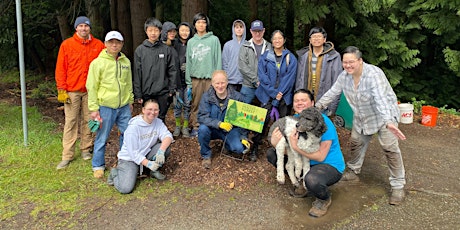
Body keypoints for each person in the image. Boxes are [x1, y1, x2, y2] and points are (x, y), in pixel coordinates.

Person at [316, 46, 407, 205]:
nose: (348, 65)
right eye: (345, 62)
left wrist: (389, 122)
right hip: (361, 116)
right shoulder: (344, 76)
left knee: (390, 149)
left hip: (384, 117)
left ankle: (398, 186)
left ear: (360, 61)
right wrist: (316, 108)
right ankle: (353, 170)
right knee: (356, 143)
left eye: (351, 62)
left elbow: (381, 99)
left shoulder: (373, 74)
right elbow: (332, 92)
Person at [267, 89, 345, 217]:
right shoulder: (294, 121)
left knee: (312, 179)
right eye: (296, 101)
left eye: (304, 100)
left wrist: (295, 147)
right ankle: (302, 182)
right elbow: (290, 151)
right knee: (272, 154)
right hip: (304, 161)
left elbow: (321, 156)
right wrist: (275, 143)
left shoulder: (323, 122)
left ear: (312, 103)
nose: (299, 103)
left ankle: (323, 199)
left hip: (327, 164)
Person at [55, 16, 105, 170]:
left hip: (90, 91)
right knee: (70, 121)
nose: (84, 29)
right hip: (72, 90)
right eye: (81, 26)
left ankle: (85, 149)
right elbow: (61, 67)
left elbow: (106, 65)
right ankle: (67, 155)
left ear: (90, 28)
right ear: (76, 28)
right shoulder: (67, 45)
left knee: (89, 120)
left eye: (86, 26)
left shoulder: (98, 45)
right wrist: (61, 88)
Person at [86, 31, 134, 178]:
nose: (114, 45)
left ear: (122, 44)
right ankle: (98, 165)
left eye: (118, 42)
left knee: (127, 135)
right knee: (102, 136)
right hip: (106, 106)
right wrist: (94, 109)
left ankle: (124, 161)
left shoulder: (125, 62)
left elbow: (128, 83)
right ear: (106, 44)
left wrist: (130, 100)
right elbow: (92, 86)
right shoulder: (98, 63)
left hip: (124, 106)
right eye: (111, 42)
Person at [107, 99, 173, 194]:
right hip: (130, 159)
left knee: (164, 147)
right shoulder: (133, 127)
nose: (153, 112)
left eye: (156, 110)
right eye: (149, 109)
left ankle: (152, 171)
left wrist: (161, 151)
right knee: (125, 188)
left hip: (145, 154)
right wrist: (149, 163)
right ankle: (115, 173)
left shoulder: (157, 122)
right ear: (143, 110)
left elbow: (168, 136)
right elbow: (133, 153)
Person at [251, 30, 297, 162]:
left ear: (284, 40)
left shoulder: (290, 58)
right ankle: (255, 148)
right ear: (271, 40)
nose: (277, 41)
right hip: (266, 95)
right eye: (275, 38)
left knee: (284, 125)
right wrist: (273, 93)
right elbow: (262, 76)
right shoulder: (265, 57)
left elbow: (290, 78)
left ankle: (282, 153)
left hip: (284, 97)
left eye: (280, 38)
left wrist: (280, 93)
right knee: (261, 123)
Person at [197, 70, 250, 169]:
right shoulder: (206, 97)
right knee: (202, 129)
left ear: (227, 82)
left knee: (239, 149)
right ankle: (206, 155)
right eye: (217, 83)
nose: (220, 86)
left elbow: (244, 120)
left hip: (230, 130)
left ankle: (227, 145)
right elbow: (202, 117)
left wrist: (243, 136)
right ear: (212, 84)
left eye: (222, 83)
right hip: (212, 129)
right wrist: (218, 124)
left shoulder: (237, 97)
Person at [133, 17, 177, 122]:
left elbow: (172, 69)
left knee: (161, 116)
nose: (153, 33)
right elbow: (137, 73)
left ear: (160, 32)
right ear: (146, 31)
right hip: (146, 91)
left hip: (163, 91)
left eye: (156, 30)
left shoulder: (166, 49)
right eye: (150, 30)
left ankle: (159, 137)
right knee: (148, 116)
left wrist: (172, 88)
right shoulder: (140, 50)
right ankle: (148, 137)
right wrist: (138, 93)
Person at [186, 13, 222, 137]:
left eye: (203, 22)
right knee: (196, 104)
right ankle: (196, 126)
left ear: (207, 24)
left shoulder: (214, 40)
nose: (201, 25)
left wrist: (217, 79)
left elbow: (218, 60)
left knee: (211, 103)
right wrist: (189, 82)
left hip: (210, 79)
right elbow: (189, 62)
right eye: (198, 22)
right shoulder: (191, 42)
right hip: (196, 79)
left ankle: (210, 126)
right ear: (195, 25)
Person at [295, 27, 342, 115]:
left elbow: (337, 81)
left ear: (324, 39)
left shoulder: (333, 56)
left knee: (321, 125)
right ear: (310, 40)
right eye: (314, 36)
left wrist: (333, 106)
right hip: (306, 97)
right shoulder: (304, 56)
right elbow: (299, 79)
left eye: (319, 36)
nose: (316, 39)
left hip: (325, 99)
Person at [238, 20, 272, 104]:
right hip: (248, 85)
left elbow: (272, 66)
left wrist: (264, 81)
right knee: (241, 113)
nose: (257, 33)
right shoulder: (245, 46)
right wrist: (256, 80)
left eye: (259, 31)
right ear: (250, 31)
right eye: (255, 31)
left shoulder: (269, 46)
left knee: (266, 112)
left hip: (265, 86)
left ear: (263, 30)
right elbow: (242, 66)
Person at [172, 22, 194, 138]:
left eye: (187, 30)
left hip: (189, 81)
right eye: (182, 30)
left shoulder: (193, 43)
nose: (184, 33)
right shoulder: (174, 44)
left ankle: (185, 126)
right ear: (178, 32)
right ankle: (177, 126)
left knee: (187, 104)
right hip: (177, 80)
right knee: (177, 104)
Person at [222, 19, 246, 91]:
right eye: (237, 27)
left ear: (244, 29)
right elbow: (224, 62)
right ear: (233, 29)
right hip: (230, 80)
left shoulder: (248, 44)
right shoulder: (228, 45)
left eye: (241, 27)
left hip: (244, 81)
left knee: (242, 101)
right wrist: (226, 76)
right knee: (231, 101)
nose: (239, 29)